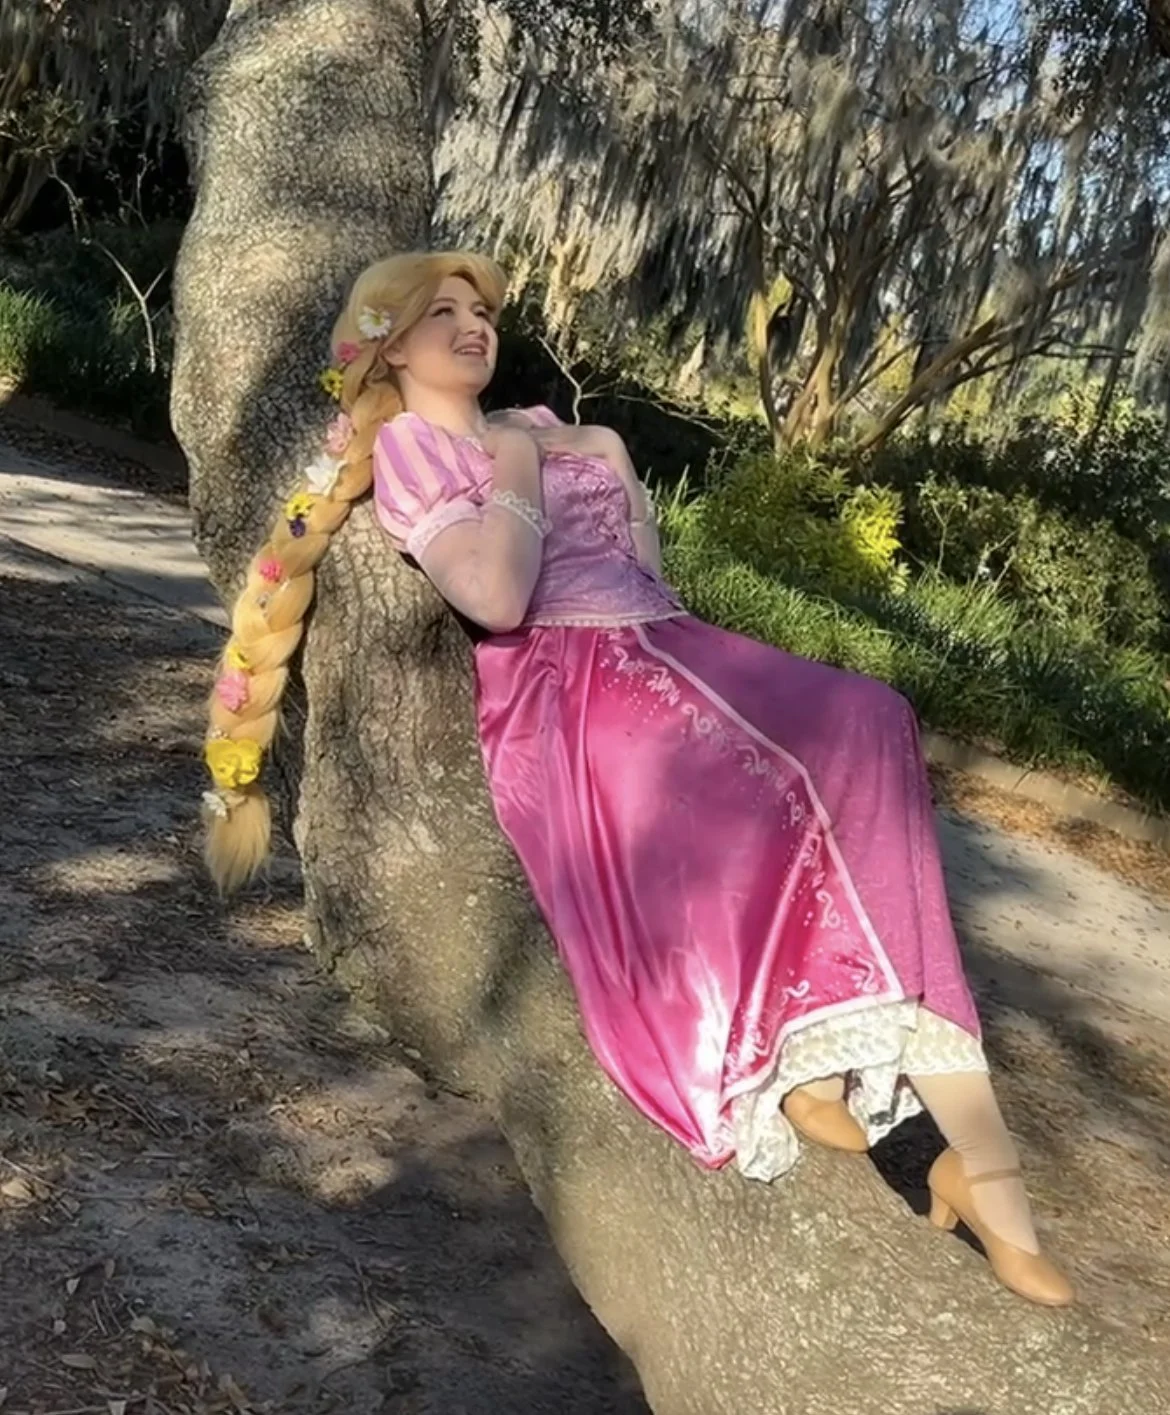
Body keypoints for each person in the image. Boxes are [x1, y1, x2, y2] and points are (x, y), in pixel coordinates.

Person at [200, 250, 1073, 1308]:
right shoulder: (419, 454)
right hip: (570, 687)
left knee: (871, 718)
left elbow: (649, 575)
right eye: (445, 312)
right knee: (777, 777)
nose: (474, 324)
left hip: (663, 644)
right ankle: (828, 1088)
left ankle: (935, 1120)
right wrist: (515, 464)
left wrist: (546, 454)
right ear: (389, 340)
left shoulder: (593, 435)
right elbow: (498, 600)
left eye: (482, 310)